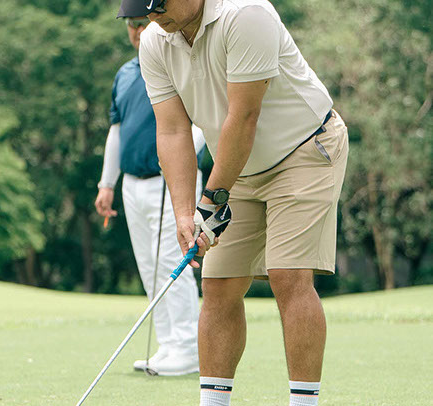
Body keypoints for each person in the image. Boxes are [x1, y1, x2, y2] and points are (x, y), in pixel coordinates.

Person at [117, 0, 349, 405]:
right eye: (145, 10)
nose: (153, 17)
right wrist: (185, 212)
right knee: (219, 284)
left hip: (304, 149)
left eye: (159, 4)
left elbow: (243, 117)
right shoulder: (155, 41)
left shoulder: (246, 14)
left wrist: (210, 200)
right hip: (237, 165)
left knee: (287, 275)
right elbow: (172, 131)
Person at [94, 15, 206, 376]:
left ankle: (188, 348)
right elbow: (116, 131)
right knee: (149, 265)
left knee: (172, 261)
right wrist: (106, 183)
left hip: (171, 181)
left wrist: (176, 160)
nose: (138, 30)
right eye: (131, 24)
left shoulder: (180, 63)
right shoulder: (126, 74)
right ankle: (169, 345)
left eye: (143, 21)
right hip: (132, 184)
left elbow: (204, 123)